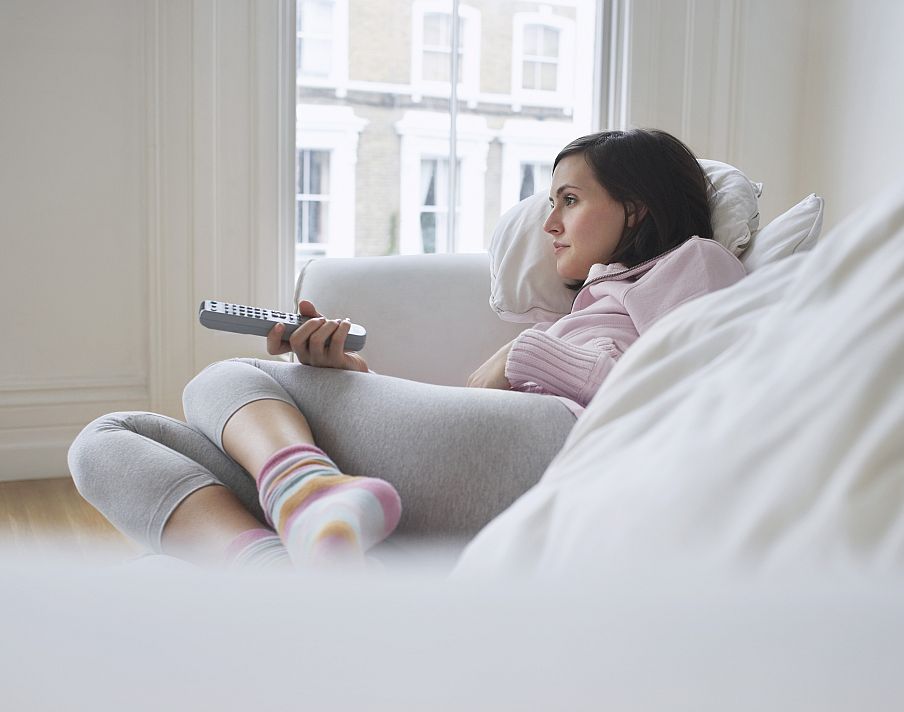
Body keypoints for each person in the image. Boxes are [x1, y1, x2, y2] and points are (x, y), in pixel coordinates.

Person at [67, 128, 746, 571]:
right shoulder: (593, 300)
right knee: (111, 440)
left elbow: (685, 388)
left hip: (551, 451)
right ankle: (275, 568)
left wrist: (526, 355)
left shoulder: (697, 261)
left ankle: (307, 493)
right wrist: (348, 377)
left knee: (225, 377)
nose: (550, 224)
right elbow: (462, 415)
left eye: (570, 199)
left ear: (638, 209)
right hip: (485, 458)